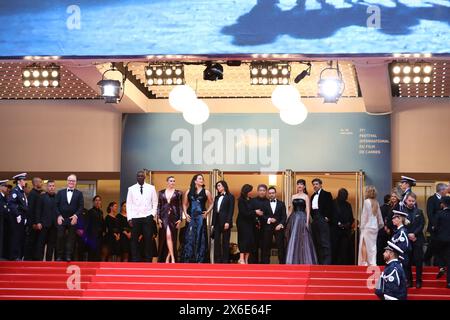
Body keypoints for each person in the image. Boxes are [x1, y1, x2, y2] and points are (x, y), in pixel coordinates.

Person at [126, 170, 158, 262]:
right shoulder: (131, 189)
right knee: (134, 239)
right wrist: (129, 218)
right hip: (135, 217)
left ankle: (148, 259)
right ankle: (135, 258)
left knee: (148, 239)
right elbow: (129, 204)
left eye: (141, 176)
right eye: (138, 176)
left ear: (144, 177)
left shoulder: (151, 188)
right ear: (136, 177)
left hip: (147, 216)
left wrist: (152, 214)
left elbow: (155, 202)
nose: (140, 177)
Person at [181, 174, 213, 263]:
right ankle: (188, 258)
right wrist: (185, 214)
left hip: (200, 218)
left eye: (202, 179)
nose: (201, 180)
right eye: (199, 179)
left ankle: (200, 259)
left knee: (200, 236)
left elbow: (212, 203)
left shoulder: (206, 192)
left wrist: (207, 212)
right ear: (195, 181)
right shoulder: (188, 191)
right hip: (190, 217)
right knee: (189, 237)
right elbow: (184, 204)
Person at [285, 179, 317, 264]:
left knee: (303, 238)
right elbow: (291, 209)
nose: (299, 186)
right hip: (294, 218)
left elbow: (308, 210)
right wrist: (286, 219)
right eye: (298, 184)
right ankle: (292, 260)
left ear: (304, 186)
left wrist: (307, 222)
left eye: (301, 184)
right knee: (294, 237)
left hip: (302, 218)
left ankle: (304, 260)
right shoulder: (293, 196)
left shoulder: (306, 196)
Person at [55, 174, 84, 262]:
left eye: (73, 181)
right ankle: (59, 256)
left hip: (73, 219)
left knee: (71, 238)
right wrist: (59, 216)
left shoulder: (79, 193)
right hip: (62, 218)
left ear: (75, 182)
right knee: (60, 237)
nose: (71, 182)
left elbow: (81, 206)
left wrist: (76, 216)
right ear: (67, 181)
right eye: (70, 180)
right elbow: (56, 205)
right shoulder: (60, 192)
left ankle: (68, 256)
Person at [157, 176, 183, 263]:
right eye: (171, 181)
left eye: (174, 181)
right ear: (167, 182)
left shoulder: (178, 193)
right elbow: (159, 205)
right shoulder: (161, 192)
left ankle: (169, 257)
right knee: (166, 236)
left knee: (171, 237)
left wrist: (180, 219)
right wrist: (158, 218)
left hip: (173, 217)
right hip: (163, 217)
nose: (172, 182)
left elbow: (180, 206)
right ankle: (172, 257)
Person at [403, 192, 425, 288]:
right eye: (409, 200)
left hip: (417, 239)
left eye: (413, 201)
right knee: (407, 261)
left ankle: (419, 281)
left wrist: (414, 234)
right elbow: (401, 225)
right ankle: (409, 280)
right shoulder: (402, 212)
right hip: (407, 240)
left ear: (415, 201)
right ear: (406, 201)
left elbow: (422, 224)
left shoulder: (419, 212)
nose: (411, 202)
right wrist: (408, 235)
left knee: (418, 261)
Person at [358, 186, 384, 266]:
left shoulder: (366, 202)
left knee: (364, 244)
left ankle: (364, 262)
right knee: (373, 246)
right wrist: (380, 226)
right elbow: (379, 217)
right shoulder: (376, 202)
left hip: (367, 227)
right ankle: (372, 262)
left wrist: (361, 226)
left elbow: (364, 216)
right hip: (375, 228)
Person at [310, 178, 333, 265]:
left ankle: (327, 263)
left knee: (325, 242)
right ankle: (319, 262)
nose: (315, 186)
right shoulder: (312, 196)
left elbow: (330, 207)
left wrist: (327, 217)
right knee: (317, 241)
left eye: (316, 184)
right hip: (315, 219)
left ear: (320, 185)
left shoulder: (327, 194)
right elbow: (312, 210)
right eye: (314, 184)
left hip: (322, 219)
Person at [425, 183, 448, 267]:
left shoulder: (445, 199)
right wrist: (435, 225)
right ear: (441, 190)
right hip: (434, 228)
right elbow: (430, 214)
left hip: (443, 229)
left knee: (440, 247)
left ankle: (438, 264)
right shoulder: (432, 199)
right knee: (432, 245)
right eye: (446, 189)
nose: (447, 191)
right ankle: (426, 260)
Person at [212, 180, 235, 264]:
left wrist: (228, 222)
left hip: (225, 222)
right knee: (216, 241)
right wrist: (213, 223)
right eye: (217, 186)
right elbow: (215, 210)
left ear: (224, 186)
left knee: (225, 241)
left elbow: (231, 210)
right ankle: (217, 260)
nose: (218, 188)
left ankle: (225, 260)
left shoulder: (230, 196)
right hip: (217, 221)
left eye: (219, 186)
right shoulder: (217, 197)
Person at [237, 184, 260, 264]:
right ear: (246, 191)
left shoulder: (251, 200)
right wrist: (255, 212)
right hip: (242, 223)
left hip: (250, 223)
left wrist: (256, 213)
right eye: (250, 190)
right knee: (243, 240)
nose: (251, 192)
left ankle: (246, 259)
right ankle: (241, 258)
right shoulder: (241, 200)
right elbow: (244, 212)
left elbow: (253, 210)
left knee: (250, 241)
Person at [35, 180, 58, 261]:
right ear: (47, 187)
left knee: (51, 245)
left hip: (54, 225)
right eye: (50, 186)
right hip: (43, 224)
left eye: (53, 186)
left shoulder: (58, 197)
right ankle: (39, 261)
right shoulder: (41, 197)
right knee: (40, 244)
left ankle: (49, 262)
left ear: (55, 187)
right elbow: (38, 210)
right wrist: (38, 222)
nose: (51, 187)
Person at [8, 173, 28, 261]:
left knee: (20, 236)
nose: (25, 182)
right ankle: (15, 256)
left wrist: (25, 217)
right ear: (19, 181)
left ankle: (19, 255)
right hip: (18, 216)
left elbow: (24, 205)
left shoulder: (21, 191)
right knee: (16, 236)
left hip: (23, 215)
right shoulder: (15, 190)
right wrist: (17, 215)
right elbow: (11, 204)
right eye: (23, 180)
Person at [331, 188, 354, 265]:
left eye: (346, 195)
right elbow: (330, 216)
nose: (345, 197)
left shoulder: (348, 205)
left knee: (344, 250)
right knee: (335, 249)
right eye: (344, 195)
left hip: (345, 232)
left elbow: (351, 217)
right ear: (339, 194)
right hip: (335, 231)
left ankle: (344, 265)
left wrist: (348, 224)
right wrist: (338, 224)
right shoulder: (333, 203)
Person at [249, 184, 271, 264]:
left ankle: (265, 265)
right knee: (253, 247)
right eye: (260, 190)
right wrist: (255, 212)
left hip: (266, 228)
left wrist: (263, 216)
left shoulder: (269, 202)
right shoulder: (252, 201)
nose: (262, 192)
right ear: (258, 191)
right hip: (254, 227)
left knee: (265, 247)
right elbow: (248, 212)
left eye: (264, 190)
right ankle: (253, 265)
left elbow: (270, 215)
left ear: (266, 192)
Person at [377, 192, 400, 265]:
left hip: (393, 230)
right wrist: (386, 226)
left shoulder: (398, 206)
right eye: (392, 196)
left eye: (395, 196)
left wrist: (388, 226)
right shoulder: (391, 206)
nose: (393, 198)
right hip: (387, 230)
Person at [265, 186, 287, 264]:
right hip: (268, 228)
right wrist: (269, 219)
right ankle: (266, 265)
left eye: (273, 193)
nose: (271, 194)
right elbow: (262, 215)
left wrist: (280, 224)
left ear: (275, 193)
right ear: (268, 194)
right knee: (266, 246)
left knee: (280, 246)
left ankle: (282, 264)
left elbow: (284, 216)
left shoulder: (281, 204)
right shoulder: (265, 203)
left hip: (279, 228)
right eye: (270, 193)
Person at [24, 177, 43, 261]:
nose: (41, 183)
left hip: (36, 223)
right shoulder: (32, 194)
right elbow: (31, 210)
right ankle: (28, 260)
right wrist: (33, 223)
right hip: (33, 224)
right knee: (31, 242)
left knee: (35, 243)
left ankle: (33, 259)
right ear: (35, 183)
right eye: (40, 182)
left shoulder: (37, 193)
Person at [433, 196, 450, 289]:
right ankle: (449, 283)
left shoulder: (439, 213)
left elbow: (435, 227)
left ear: (443, 204)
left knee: (437, 253)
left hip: (440, 239)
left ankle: (441, 267)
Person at [391, 210, 411, 276]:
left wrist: (398, 256)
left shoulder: (402, 231)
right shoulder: (398, 231)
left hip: (401, 258)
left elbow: (405, 246)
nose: (392, 220)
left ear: (399, 219)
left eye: (394, 218)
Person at [85, 195, 104, 261]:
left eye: (99, 200)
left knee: (98, 253)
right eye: (96, 200)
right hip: (92, 236)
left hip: (99, 236)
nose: (98, 202)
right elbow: (86, 225)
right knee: (92, 253)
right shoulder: (90, 212)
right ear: (93, 202)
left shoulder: (101, 212)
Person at [0, 179, 9, 260]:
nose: (6, 188)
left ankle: (2, 255)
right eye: (5, 186)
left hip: (4, 220)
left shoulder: (4, 197)